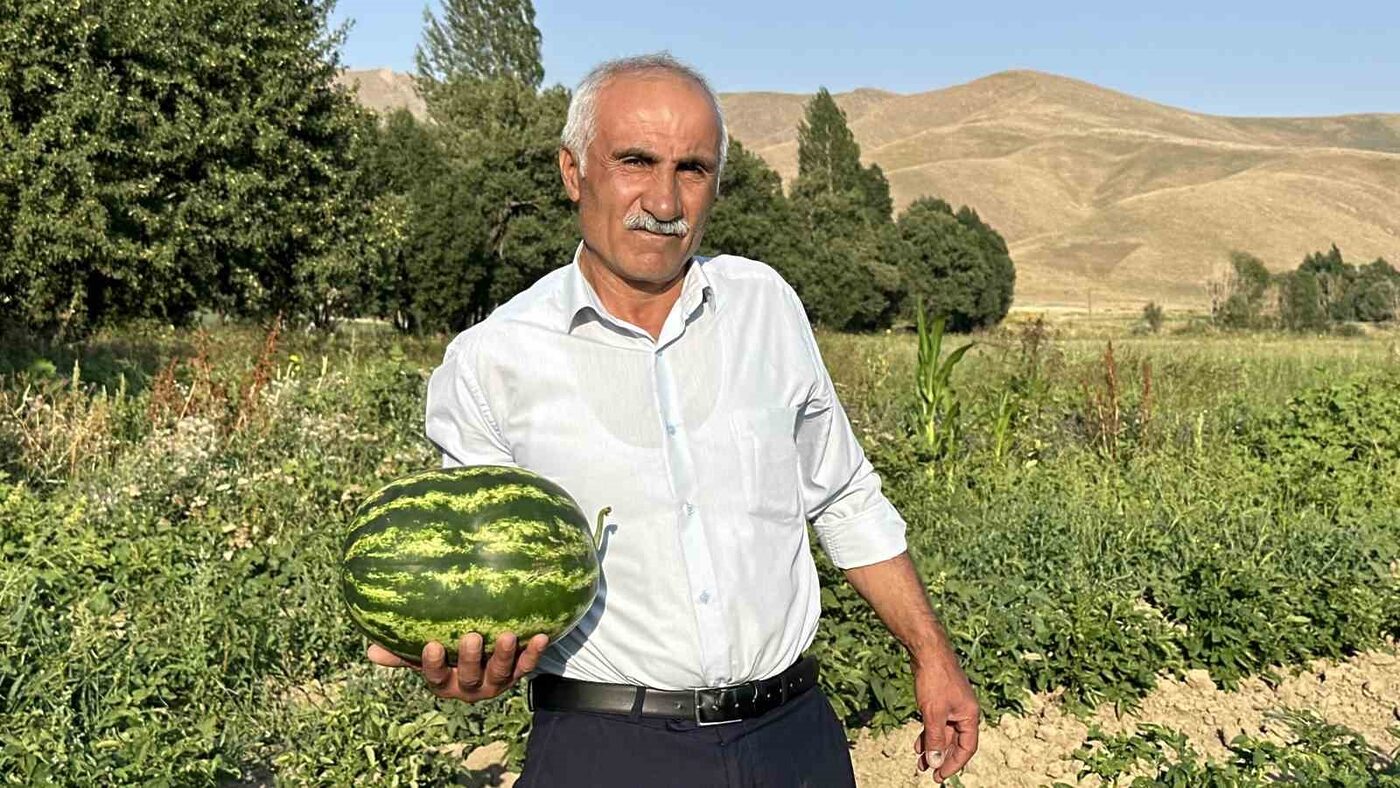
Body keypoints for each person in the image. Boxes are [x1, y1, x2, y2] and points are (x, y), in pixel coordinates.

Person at [367, 52, 980, 786]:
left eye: (692, 168)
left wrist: (933, 655)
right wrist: (469, 663)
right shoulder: (493, 358)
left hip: (794, 741)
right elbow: (473, 575)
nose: (664, 199)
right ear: (573, 172)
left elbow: (844, 495)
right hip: (608, 751)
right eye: (635, 160)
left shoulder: (766, 307)